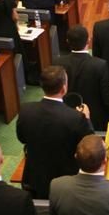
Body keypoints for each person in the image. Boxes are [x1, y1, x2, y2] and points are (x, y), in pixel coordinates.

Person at [16, 65, 93, 200]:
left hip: (34, 179)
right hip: (65, 182)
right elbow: (90, 146)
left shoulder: (26, 110)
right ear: (64, 88)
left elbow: (22, 138)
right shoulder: (76, 118)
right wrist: (87, 119)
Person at [53, 25, 109, 131]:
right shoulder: (100, 65)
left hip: (65, 120)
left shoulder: (58, 63)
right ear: (88, 40)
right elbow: (107, 98)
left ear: (67, 41)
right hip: (95, 122)